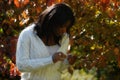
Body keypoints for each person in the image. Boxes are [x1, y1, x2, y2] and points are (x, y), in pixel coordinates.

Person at [16, 3, 75, 80]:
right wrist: (51, 60)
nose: (64, 30)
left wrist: (67, 62)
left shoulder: (64, 38)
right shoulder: (27, 34)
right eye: (61, 26)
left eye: (67, 27)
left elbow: (57, 69)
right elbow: (22, 66)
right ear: (51, 21)